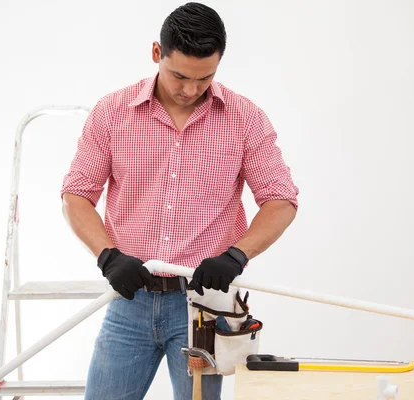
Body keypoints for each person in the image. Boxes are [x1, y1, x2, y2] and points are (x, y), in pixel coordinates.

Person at [60, 2, 299, 399]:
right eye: (179, 75)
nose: (190, 89)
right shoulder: (112, 113)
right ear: (157, 53)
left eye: (204, 78)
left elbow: (281, 200)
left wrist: (236, 256)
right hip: (129, 299)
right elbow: (76, 195)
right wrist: (108, 256)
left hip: (205, 308)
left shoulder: (245, 119)